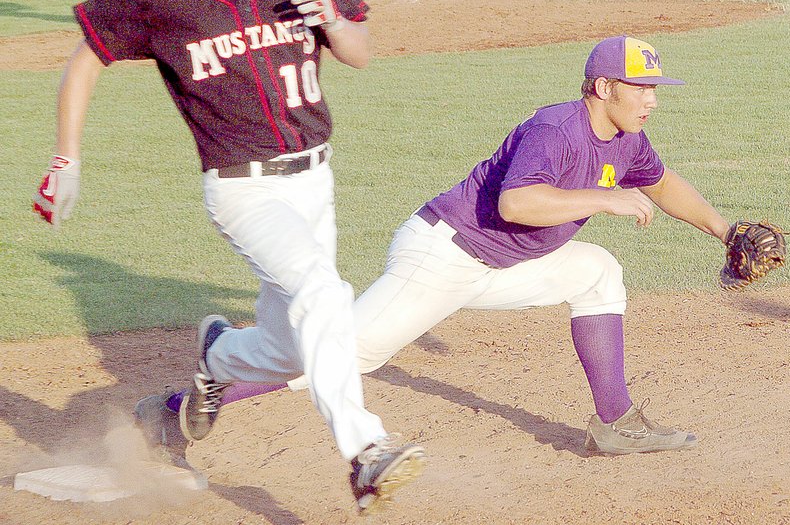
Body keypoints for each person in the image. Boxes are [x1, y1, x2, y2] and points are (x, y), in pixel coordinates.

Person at [32, 0, 424, 514]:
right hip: (245, 190)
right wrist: (67, 155)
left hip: (316, 183)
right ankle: (366, 453)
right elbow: (86, 57)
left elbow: (359, 53)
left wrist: (330, 20)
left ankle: (219, 360)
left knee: (294, 347)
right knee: (323, 292)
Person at [145, 35, 737, 457]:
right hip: (443, 255)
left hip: (508, 265)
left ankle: (617, 423)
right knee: (346, 356)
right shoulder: (557, 128)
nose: (653, 98)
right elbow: (516, 204)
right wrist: (603, 200)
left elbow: (663, 185)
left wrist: (726, 231)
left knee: (598, 271)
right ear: (604, 87)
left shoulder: (629, 139)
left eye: (655, 88)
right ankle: (202, 383)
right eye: (642, 88)